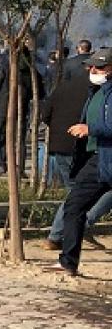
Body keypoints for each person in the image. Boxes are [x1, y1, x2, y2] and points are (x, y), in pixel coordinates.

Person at [42, 53, 110, 253]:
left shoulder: (65, 87)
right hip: (84, 148)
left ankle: (62, 234)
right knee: (78, 196)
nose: (92, 70)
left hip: (63, 145)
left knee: (75, 195)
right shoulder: (98, 90)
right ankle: (67, 232)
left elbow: (45, 114)